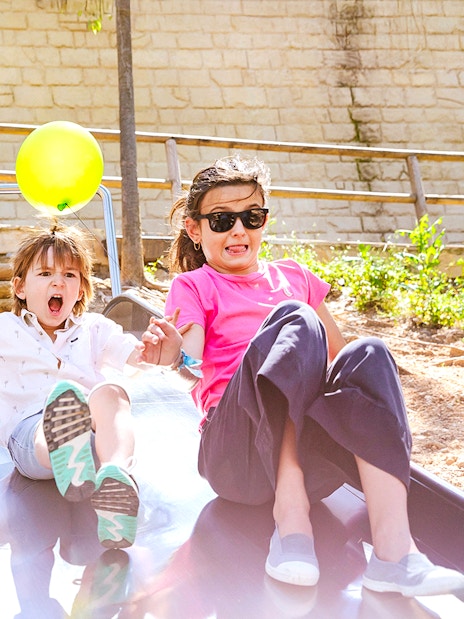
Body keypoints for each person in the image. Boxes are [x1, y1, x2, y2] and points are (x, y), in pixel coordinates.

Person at [139, 155, 464, 597]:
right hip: (239, 459)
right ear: (195, 230)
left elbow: (340, 368)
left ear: (264, 221)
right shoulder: (195, 286)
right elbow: (193, 369)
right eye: (221, 220)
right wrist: (174, 357)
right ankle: (291, 524)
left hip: (317, 466)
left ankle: (395, 553)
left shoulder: (295, 276)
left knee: (369, 350)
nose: (238, 230)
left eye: (251, 217)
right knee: (296, 318)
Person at [0, 223, 172, 550]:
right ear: (20, 288)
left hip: (94, 440)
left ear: (80, 290)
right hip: (32, 436)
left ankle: (116, 478)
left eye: (69, 275)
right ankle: (65, 447)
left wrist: (152, 348)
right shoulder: (5, 329)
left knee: (112, 394)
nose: (58, 282)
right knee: (52, 422)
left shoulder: (93, 329)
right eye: (46, 273)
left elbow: (135, 356)